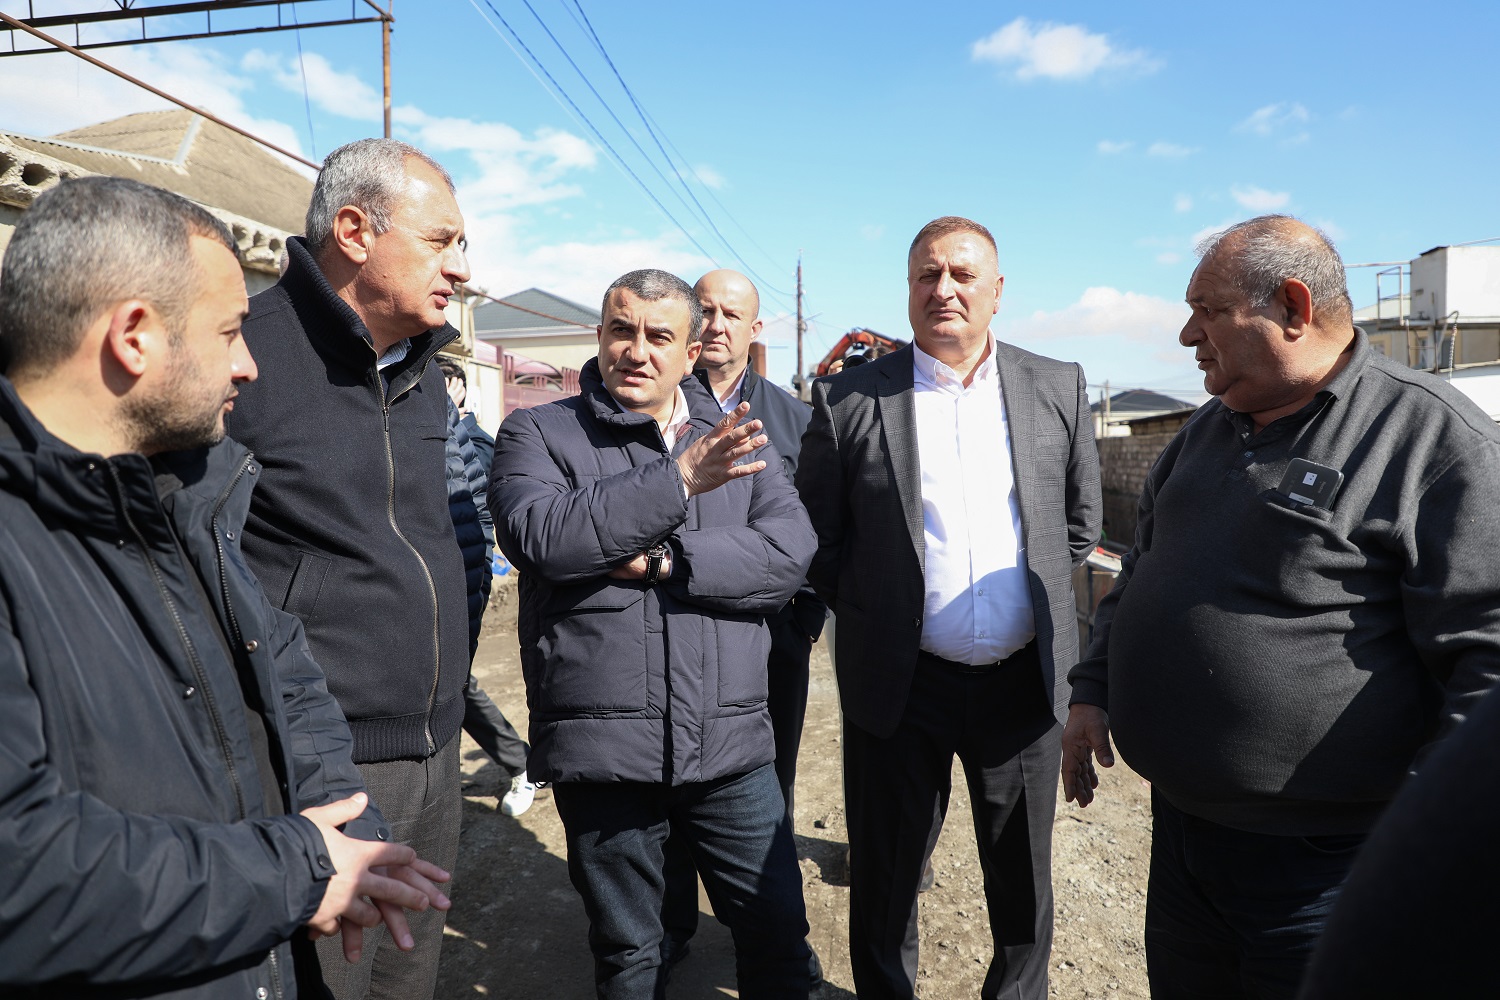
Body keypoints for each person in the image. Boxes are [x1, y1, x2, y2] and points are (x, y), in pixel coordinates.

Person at [0, 176, 449, 997]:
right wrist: (299, 869)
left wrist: (345, 826)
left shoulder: (187, 492)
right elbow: (23, 874)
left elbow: (283, 669)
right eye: (230, 332)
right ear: (134, 336)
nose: (248, 364)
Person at [1062, 215, 1500, 999]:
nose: (1187, 335)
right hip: (1184, 839)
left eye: (1207, 311)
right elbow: (1138, 571)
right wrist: (1093, 689)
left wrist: (1429, 845)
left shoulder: (1433, 440)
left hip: (1328, 867)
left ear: (1294, 307)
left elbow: (1488, 660)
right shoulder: (1202, 433)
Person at [796, 216, 1102, 1000]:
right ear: (907, 289)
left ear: (997, 291)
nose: (945, 289)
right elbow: (820, 542)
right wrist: (881, 611)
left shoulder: (1056, 384)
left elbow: (1078, 526)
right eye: (927, 274)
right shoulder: (848, 398)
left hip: (1022, 686)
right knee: (886, 880)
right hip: (900, 688)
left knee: (1023, 885)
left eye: (963, 275)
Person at [490, 268, 818, 998]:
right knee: (630, 956)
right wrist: (678, 483)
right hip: (604, 752)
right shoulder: (539, 432)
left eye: (658, 336)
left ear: (691, 351)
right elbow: (544, 537)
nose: (636, 351)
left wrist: (666, 562)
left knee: (776, 937)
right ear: (600, 335)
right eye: (621, 330)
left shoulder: (736, 440)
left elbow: (788, 554)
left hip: (731, 746)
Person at [225, 137, 473, 999]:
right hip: (325, 771)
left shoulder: (425, 369)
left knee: (410, 980)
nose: (461, 268)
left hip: (435, 749)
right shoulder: (245, 359)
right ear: (356, 231)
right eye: (440, 241)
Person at [655, 269, 827, 968]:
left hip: (769, 637)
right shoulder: (657, 401)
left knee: (764, 779)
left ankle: (758, 923)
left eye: (733, 313)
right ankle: (669, 926)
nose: (717, 323)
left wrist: (802, 620)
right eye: (706, 309)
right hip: (670, 623)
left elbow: (819, 530)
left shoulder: (795, 420)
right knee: (664, 779)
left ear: (756, 330)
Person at [436, 354, 536, 816]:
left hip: (459, 585)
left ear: (456, 390)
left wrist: (451, 419)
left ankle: (521, 765)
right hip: (429, 584)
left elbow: (479, 505)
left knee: (455, 685)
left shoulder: (476, 440)